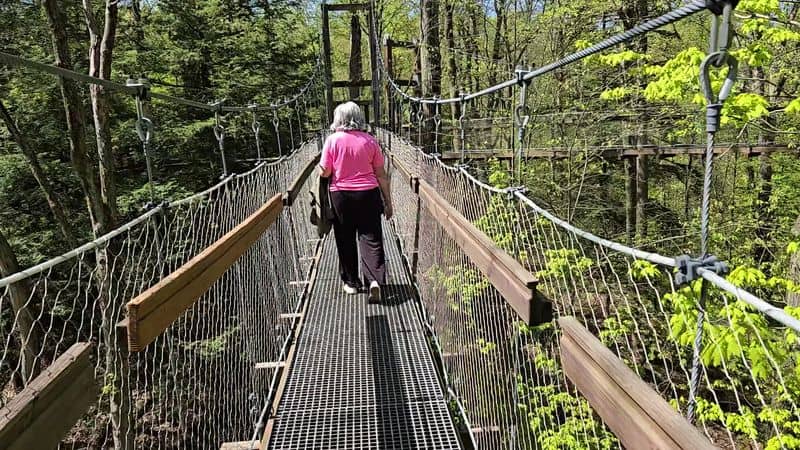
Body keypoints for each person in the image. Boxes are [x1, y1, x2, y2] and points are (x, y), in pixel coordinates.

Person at [319, 102, 393, 301]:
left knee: (345, 239)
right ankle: (374, 281)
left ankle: (351, 283)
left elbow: (325, 171)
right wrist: (388, 202)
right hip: (369, 195)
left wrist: (323, 169)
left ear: (338, 119)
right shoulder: (370, 141)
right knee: (371, 238)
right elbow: (381, 174)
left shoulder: (332, 141)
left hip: (341, 196)